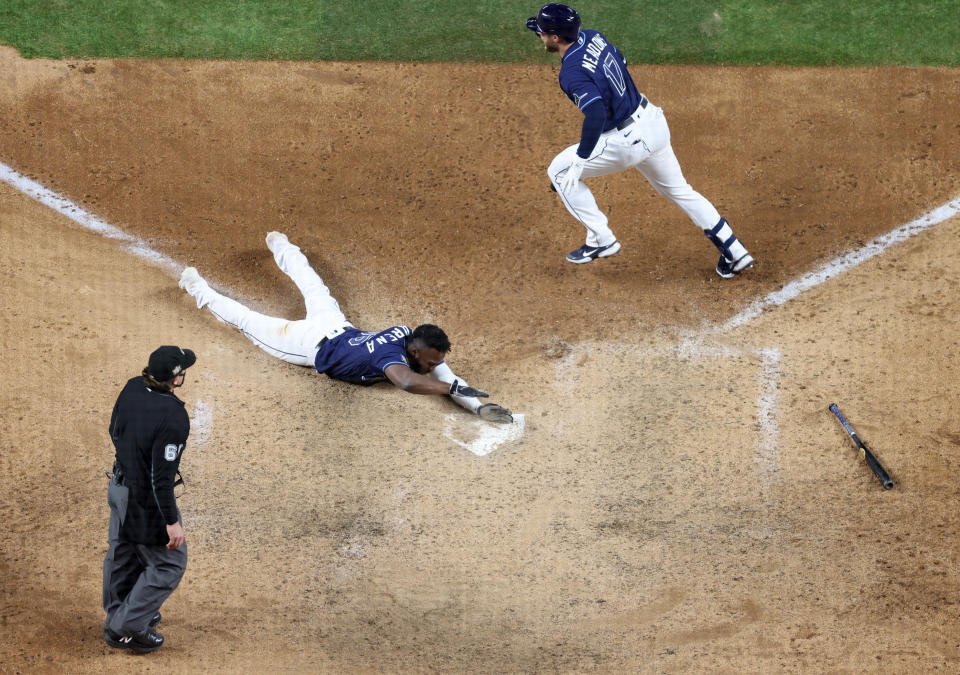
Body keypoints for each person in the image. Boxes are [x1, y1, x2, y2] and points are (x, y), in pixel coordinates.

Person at [178, 232, 513, 423]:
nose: (432, 367)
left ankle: (282, 246)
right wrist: (453, 391)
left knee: (314, 285)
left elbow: (443, 375)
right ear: (413, 351)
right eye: (429, 362)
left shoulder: (409, 335)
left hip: (336, 324)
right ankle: (198, 289)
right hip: (307, 345)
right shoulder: (394, 361)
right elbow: (409, 382)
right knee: (250, 322)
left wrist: (477, 405)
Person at [526, 3, 755, 278]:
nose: (539, 36)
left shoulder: (571, 72)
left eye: (541, 33)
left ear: (556, 38)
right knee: (681, 190)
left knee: (559, 171)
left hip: (626, 142)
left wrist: (581, 159)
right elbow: (620, 60)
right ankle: (735, 252)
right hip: (653, 122)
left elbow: (596, 113)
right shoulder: (593, 36)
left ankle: (601, 238)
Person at [103, 345, 195, 653]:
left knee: (124, 553)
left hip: (118, 485)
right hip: (145, 499)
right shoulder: (174, 417)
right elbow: (161, 477)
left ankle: (123, 611)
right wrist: (171, 521)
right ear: (176, 379)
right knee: (170, 564)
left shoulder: (132, 386)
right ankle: (126, 627)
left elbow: (114, 430)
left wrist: (130, 462)